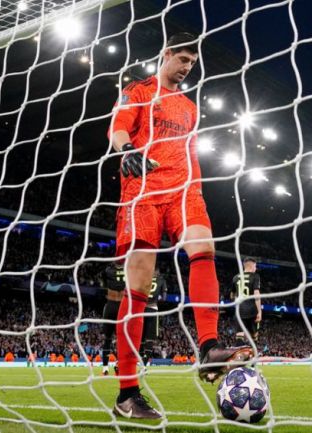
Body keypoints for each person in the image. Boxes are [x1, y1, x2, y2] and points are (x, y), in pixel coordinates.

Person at [108, 32, 253, 419]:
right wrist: (126, 151)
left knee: (204, 249)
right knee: (138, 286)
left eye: (193, 61)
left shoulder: (189, 108)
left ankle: (208, 347)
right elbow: (118, 128)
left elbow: (190, 149)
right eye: (183, 58)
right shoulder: (138, 90)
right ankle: (127, 394)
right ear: (167, 54)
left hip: (185, 191)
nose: (188, 66)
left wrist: (197, 188)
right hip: (143, 191)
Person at [101, 264, 165, 376]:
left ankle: (106, 367)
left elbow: (103, 283)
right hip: (127, 306)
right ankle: (127, 364)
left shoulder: (108, 270)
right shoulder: (130, 270)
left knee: (108, 338)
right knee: (129, 338)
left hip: (111, 304)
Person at [230, 257, 262, 346]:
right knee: (254, 335)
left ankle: (240, 358)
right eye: (255, 266)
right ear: (252, 266)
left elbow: (232, 295)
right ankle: (253, 356)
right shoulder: (255, 276)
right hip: (252, 310)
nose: (255, 269)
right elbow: (256, 294)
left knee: (239, 335)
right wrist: (259, 311)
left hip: (239, 310)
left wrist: (236, 301)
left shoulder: (235, 277)